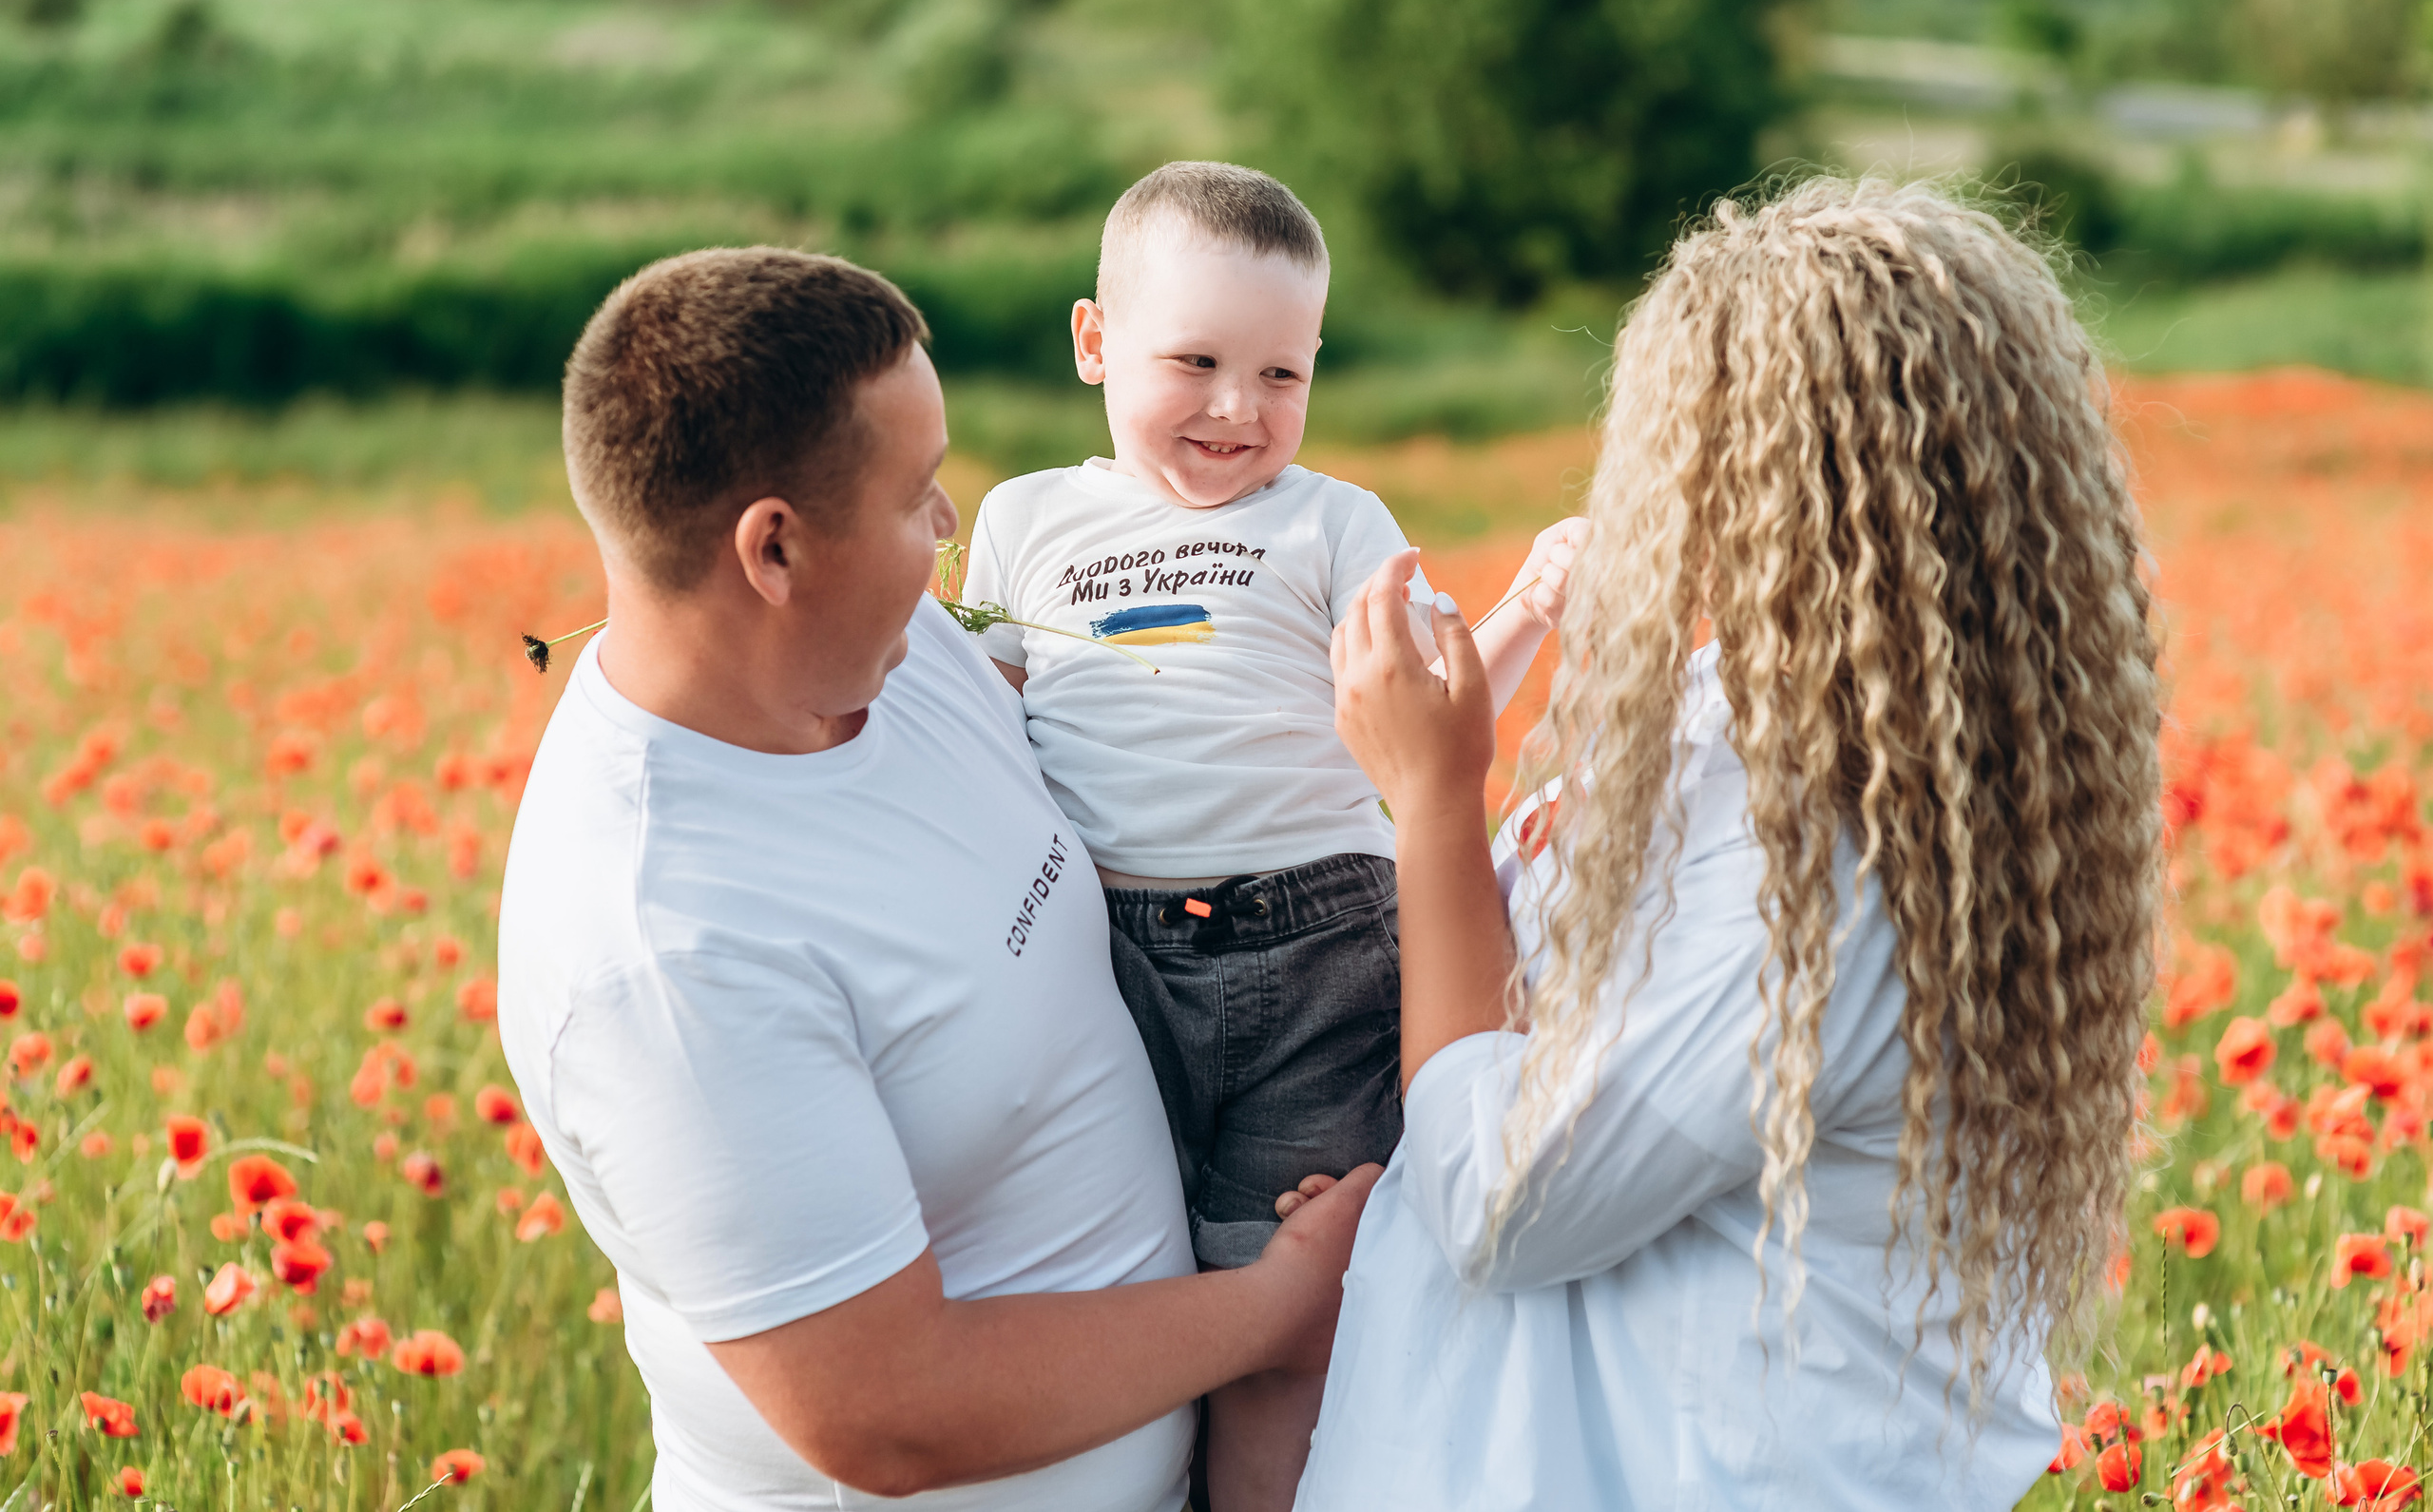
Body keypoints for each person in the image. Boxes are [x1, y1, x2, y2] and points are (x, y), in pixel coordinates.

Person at [1291, 178, 2163, 1509]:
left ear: (1767, 488)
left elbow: (1501, 1198)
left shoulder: (1824, 849)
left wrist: (1435, 798)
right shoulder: (1823, 732)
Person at [494, 246, 1378, 1512]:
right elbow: (886, 1412)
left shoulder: (903, 664)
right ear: (775, 551)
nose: (953, 525)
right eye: (917, 495)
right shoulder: (668, 946)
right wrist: (1277, 1304)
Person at [957, 161, 1580, 1510]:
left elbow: (1433, 706)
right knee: (1108, 1274)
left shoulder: (1332, 522)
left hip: (1319, 952)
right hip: (1101, 959)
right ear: (1094, 342)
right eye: (1196, 361)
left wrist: (1531, 601)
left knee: (1280, 1302)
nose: (1240, 409)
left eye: (1283, 375)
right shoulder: (1023, 522)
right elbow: (983, 747)